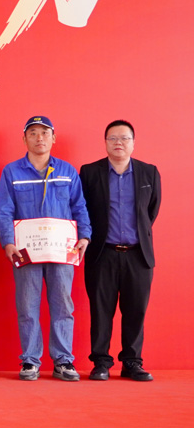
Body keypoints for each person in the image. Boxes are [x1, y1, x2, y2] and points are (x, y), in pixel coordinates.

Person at [0, 116, 91, 382]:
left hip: (62, 249)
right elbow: (4, 210)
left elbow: (79, 206)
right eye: (33, 133)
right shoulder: (12, 172)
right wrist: (8, 241)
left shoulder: (67, 171)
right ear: (24, 139)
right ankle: (30, 360)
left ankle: (63, 361)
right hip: (25, 251)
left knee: (63, 305)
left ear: (53, 138)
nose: (39, 138)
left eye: (45, 133)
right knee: (27, 306)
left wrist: (84, 236)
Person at [80, 120, 161, 381]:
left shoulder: (149, 172)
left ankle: (132, 362)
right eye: (113, 138)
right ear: (105, 142)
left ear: (133, 143)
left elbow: (151, 211)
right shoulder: (89, 172)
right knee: (101, 310)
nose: (119, 143)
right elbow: (83, 209)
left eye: (125, 138)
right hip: (102, 253)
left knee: (136, 310)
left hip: (138, 254)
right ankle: (101, 362)